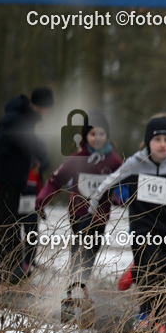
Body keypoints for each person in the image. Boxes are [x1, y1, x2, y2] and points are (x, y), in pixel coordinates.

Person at [92, 117, 166, 333]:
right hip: (141, 227)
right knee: (151, 265)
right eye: (157, 139)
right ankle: (144, 317)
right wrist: (94, 203)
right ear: (147, 142)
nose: (162, 144)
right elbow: (110, 181)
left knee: (162, 273)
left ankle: (157, 320)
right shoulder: (135, 163)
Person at [37, 109, 123, 282]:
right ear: (86, 135)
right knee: (77, 252)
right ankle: (72, 290)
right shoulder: (76, 159)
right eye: (93, 133)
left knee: (91, 253)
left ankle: (81, 286)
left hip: (100, 217)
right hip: (79, 214)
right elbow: (56, 180)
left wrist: (119, 198)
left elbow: (124, 184)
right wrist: (41, 200)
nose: (97, 137)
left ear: (107, 136)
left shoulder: (114, 161)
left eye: (101, 133)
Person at [0, 87, 54, 284]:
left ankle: (11, 269)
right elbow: (0, 149)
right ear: (42, 106)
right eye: (48, 109)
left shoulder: (24, 121)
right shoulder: (15, 120)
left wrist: (40, 161)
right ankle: (5, 270)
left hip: (16, 181)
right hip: (6, 182)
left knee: (10, 223)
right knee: (7, 224)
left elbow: (30, 145)